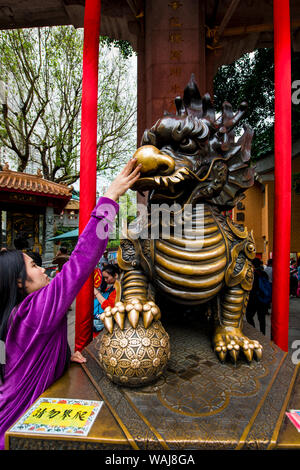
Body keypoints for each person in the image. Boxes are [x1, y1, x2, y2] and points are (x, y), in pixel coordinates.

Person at [0, 159, 141, 450]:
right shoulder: (32, 312)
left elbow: (23, 361)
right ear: (17, 282)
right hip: (13, 434)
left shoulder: (13, 317)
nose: (41, 269)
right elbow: (81, 260)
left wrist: (61, 356)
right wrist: (110, 198)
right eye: (32, 266)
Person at [246, 257, 272, 335]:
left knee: (249, 316)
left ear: (252, 265)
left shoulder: (252, 274)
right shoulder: (264, 273)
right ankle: (262, 333)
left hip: (253, 299)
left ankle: (254, 331)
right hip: (263, 299)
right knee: (262, 318)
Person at [93, 264, 120, 335]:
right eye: (104, 278)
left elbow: (108, 307)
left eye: (107, 277)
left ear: (116, 275)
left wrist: (96, 293)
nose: (105, 280)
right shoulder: (109, 289)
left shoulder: (117, 292)